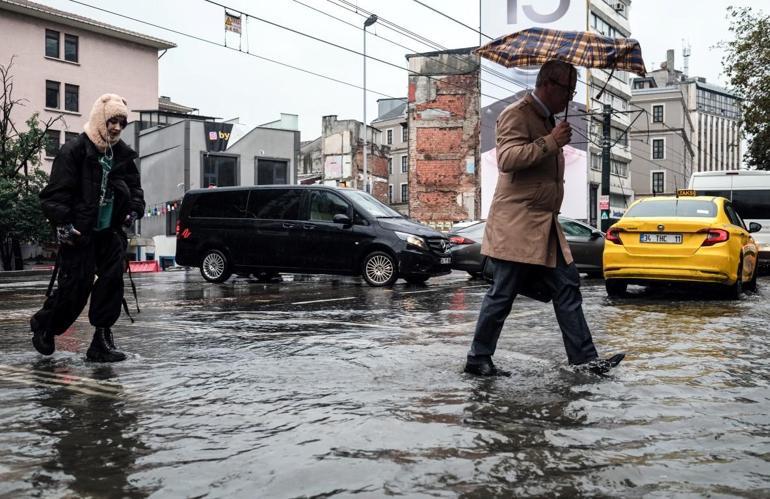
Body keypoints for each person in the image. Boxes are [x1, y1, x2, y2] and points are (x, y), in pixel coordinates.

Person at [464, 60, 624, 377]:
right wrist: (551, 141)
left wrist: (552, 139)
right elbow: (508, 159)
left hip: (545, 224)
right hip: (518, 225)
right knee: (502, 293)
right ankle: (477, 358)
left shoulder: (548, 119)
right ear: (549, 85)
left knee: (567, 286)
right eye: (569, 90)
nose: (570, 97)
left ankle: (585, 361)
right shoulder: (516, 114)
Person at [31, 94, 144, 362]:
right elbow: (54, 196)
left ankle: (101, 342)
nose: (116, 127)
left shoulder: (123, 155)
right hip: (79, 234)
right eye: (112, 121)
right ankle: (44, 326)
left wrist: (132, 210)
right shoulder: (74, 150)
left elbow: (136, 190)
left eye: (122, 123)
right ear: (99, 119)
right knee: (76, 288)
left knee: (111, 282)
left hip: (110, 232)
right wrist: (64, 225)